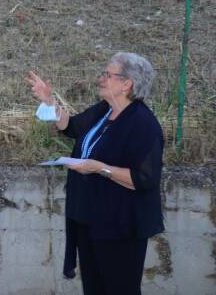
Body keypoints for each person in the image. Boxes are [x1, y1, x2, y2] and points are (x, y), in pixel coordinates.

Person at [25, 53, 164, 295]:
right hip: (90, 220)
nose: (100, 79)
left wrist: (99, 168)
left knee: (120, 289)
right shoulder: (104, 110)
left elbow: (143, 179)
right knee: (94, 288)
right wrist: (48, 100)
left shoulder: (143, 123)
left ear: (127, 84)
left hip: (121, 226)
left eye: (107, 75)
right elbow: (71, 127)